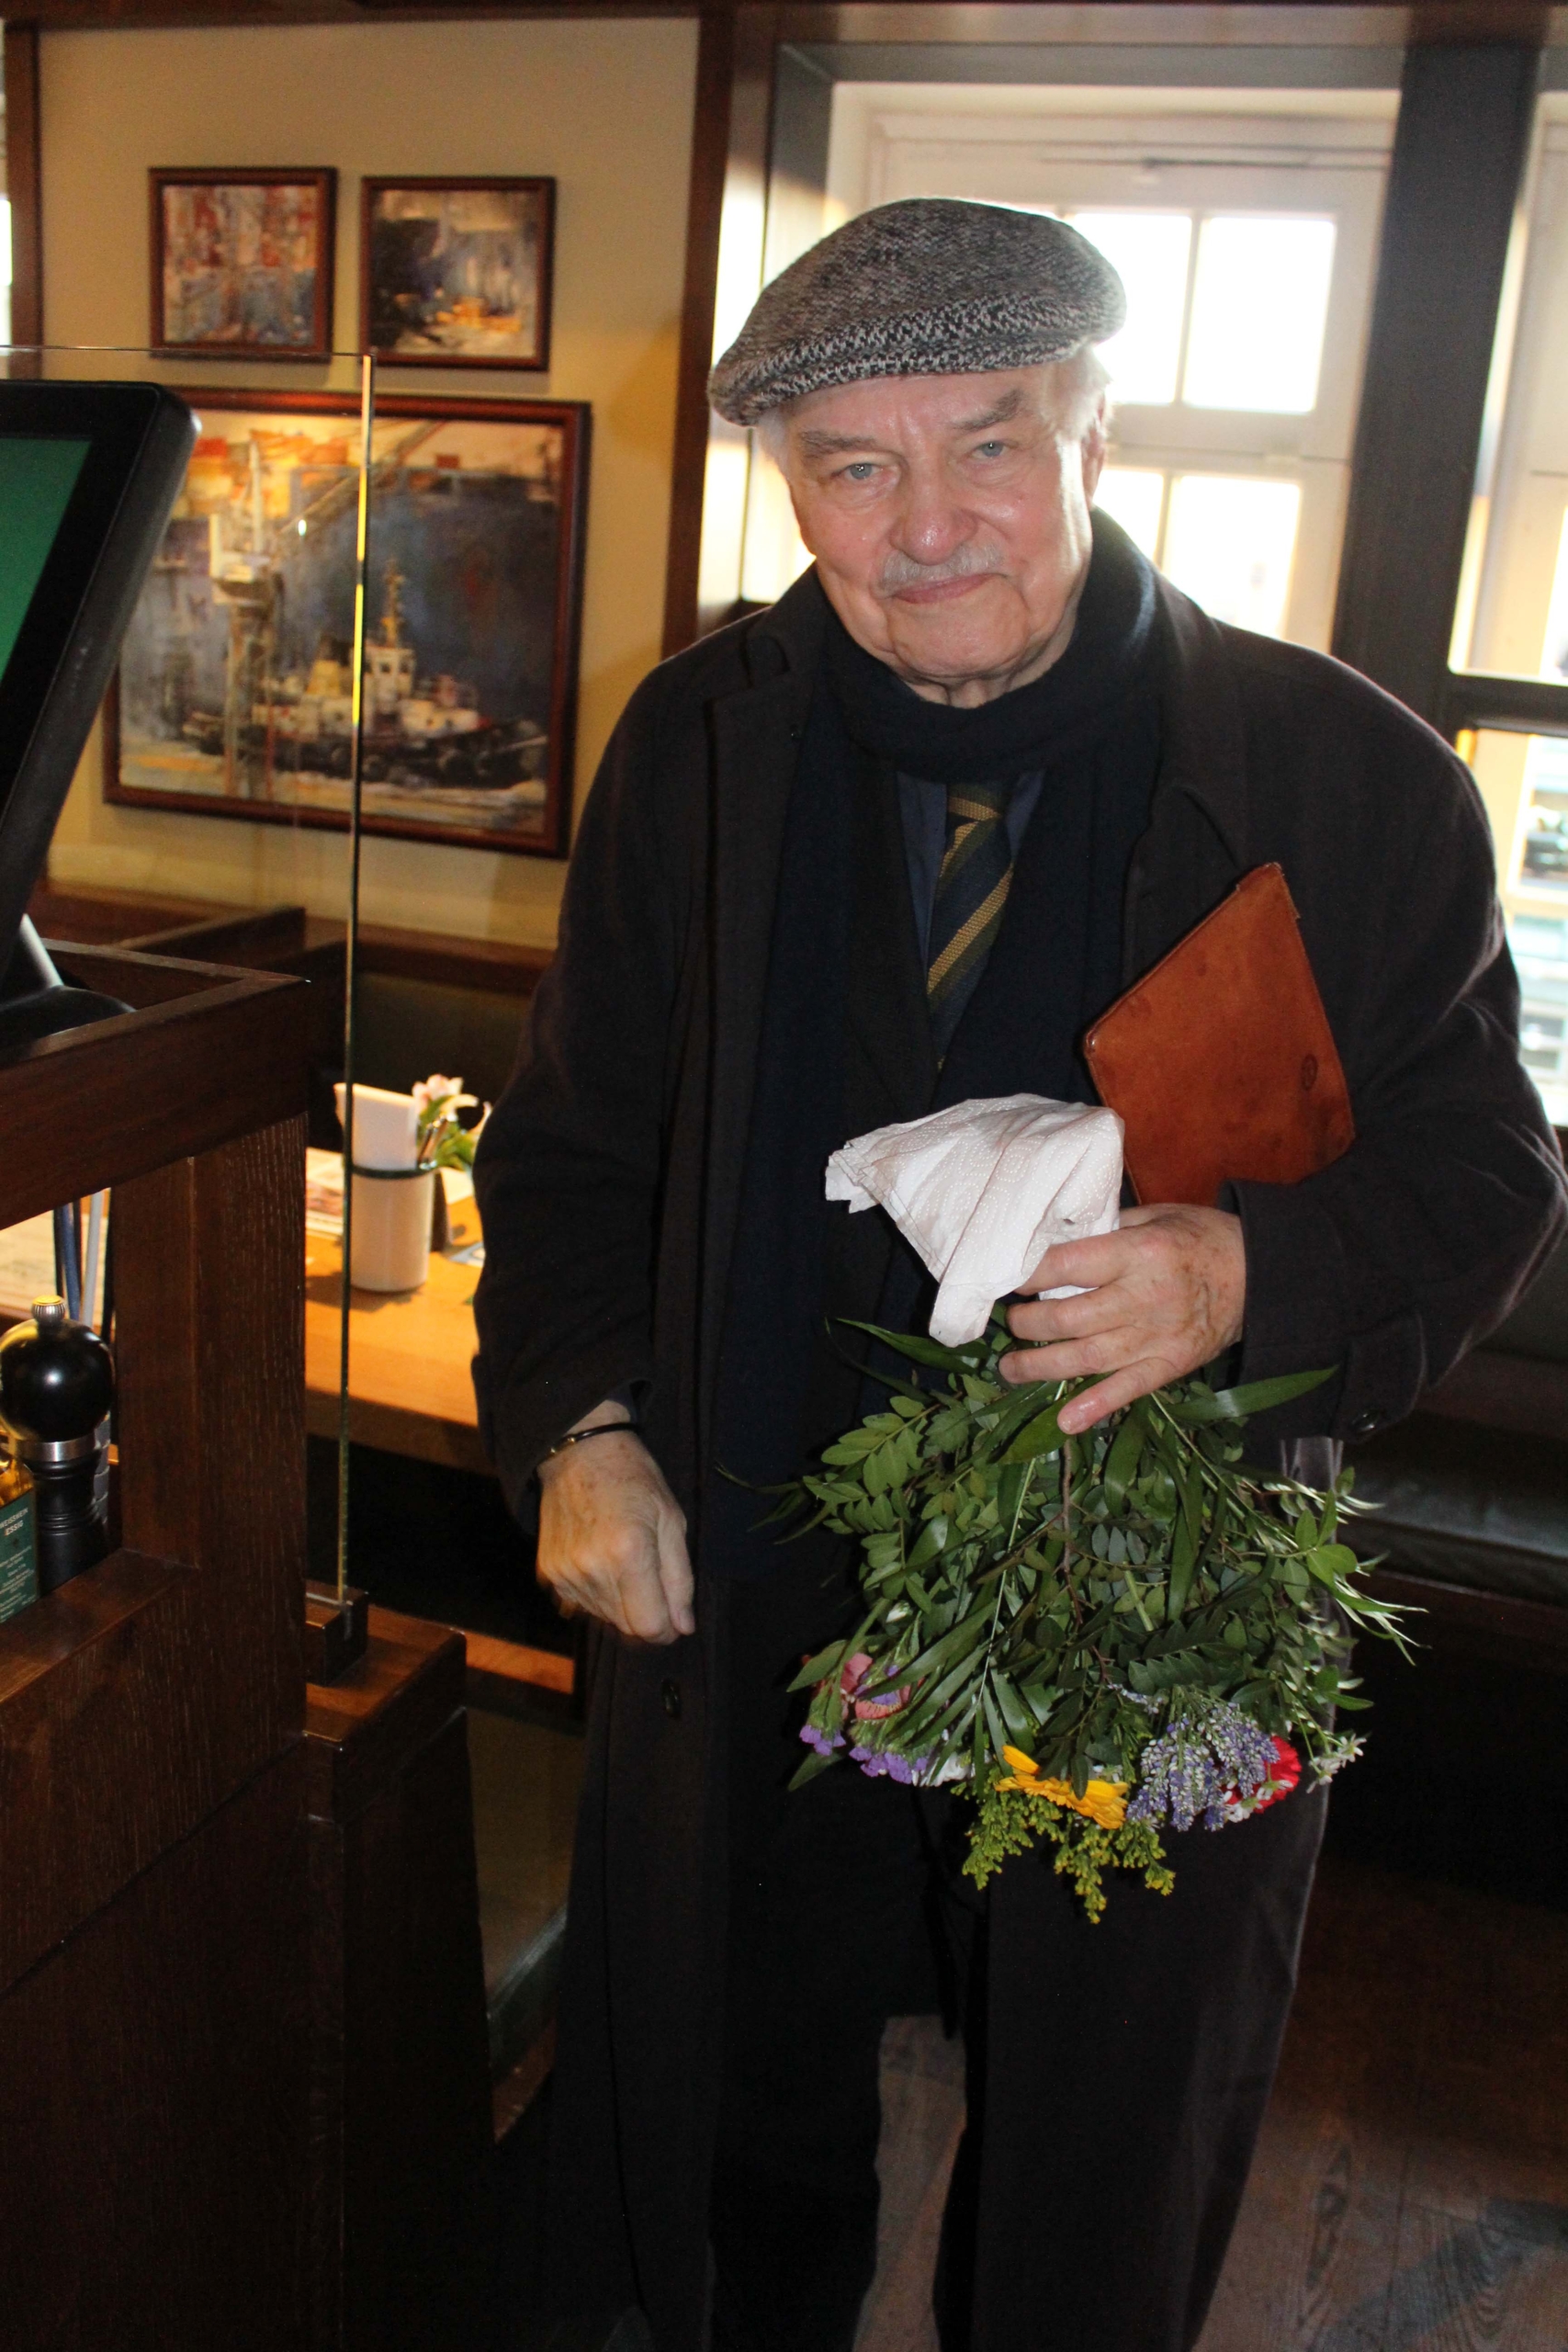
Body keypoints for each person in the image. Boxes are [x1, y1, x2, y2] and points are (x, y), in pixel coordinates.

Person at [473, 200, 1565, 2352]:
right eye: (852, 467)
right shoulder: (696, 744)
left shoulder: (1338, 772)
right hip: (749, 1568)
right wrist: (577, 1423)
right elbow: (579, 1140)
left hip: (1147, 1598)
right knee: (730, 2106)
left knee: (1097, 2151)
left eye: (984, 445)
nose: (923, 526)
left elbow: (1479, 1172)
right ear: (792, 488)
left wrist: (1243, 1270)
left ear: (1089, 435)